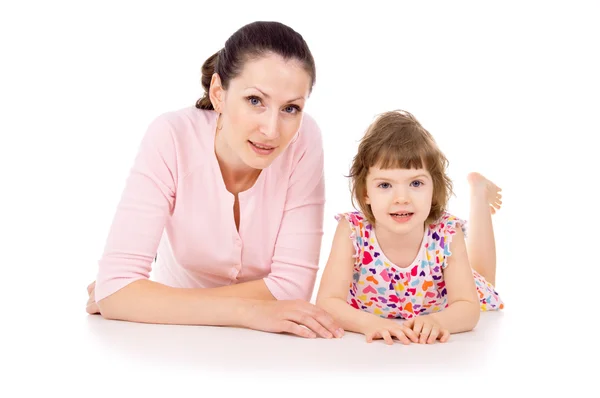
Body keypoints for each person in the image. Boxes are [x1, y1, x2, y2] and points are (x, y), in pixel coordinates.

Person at [86, 21, 344, 340]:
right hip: (168, 342)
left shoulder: (304, 139)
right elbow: (116, 290)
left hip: (265, 347)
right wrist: (249, 311)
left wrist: (143, 299)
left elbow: (293, 288)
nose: (272, 130)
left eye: (291, 108)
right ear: (219, 93)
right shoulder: (172, 136)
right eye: (254, 100)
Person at [315, 110, 504, 345]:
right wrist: (369, 323)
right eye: (385, 185)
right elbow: (327, 302)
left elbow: (468, 308)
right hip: (379, 314)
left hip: (442, 302)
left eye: (415, 183)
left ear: (433, 188)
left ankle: (478, 193)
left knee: (483, 280)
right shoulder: (352, 230)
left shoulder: (446, 233)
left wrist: (439, 321)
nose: (402, 198)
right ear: (366, 193)